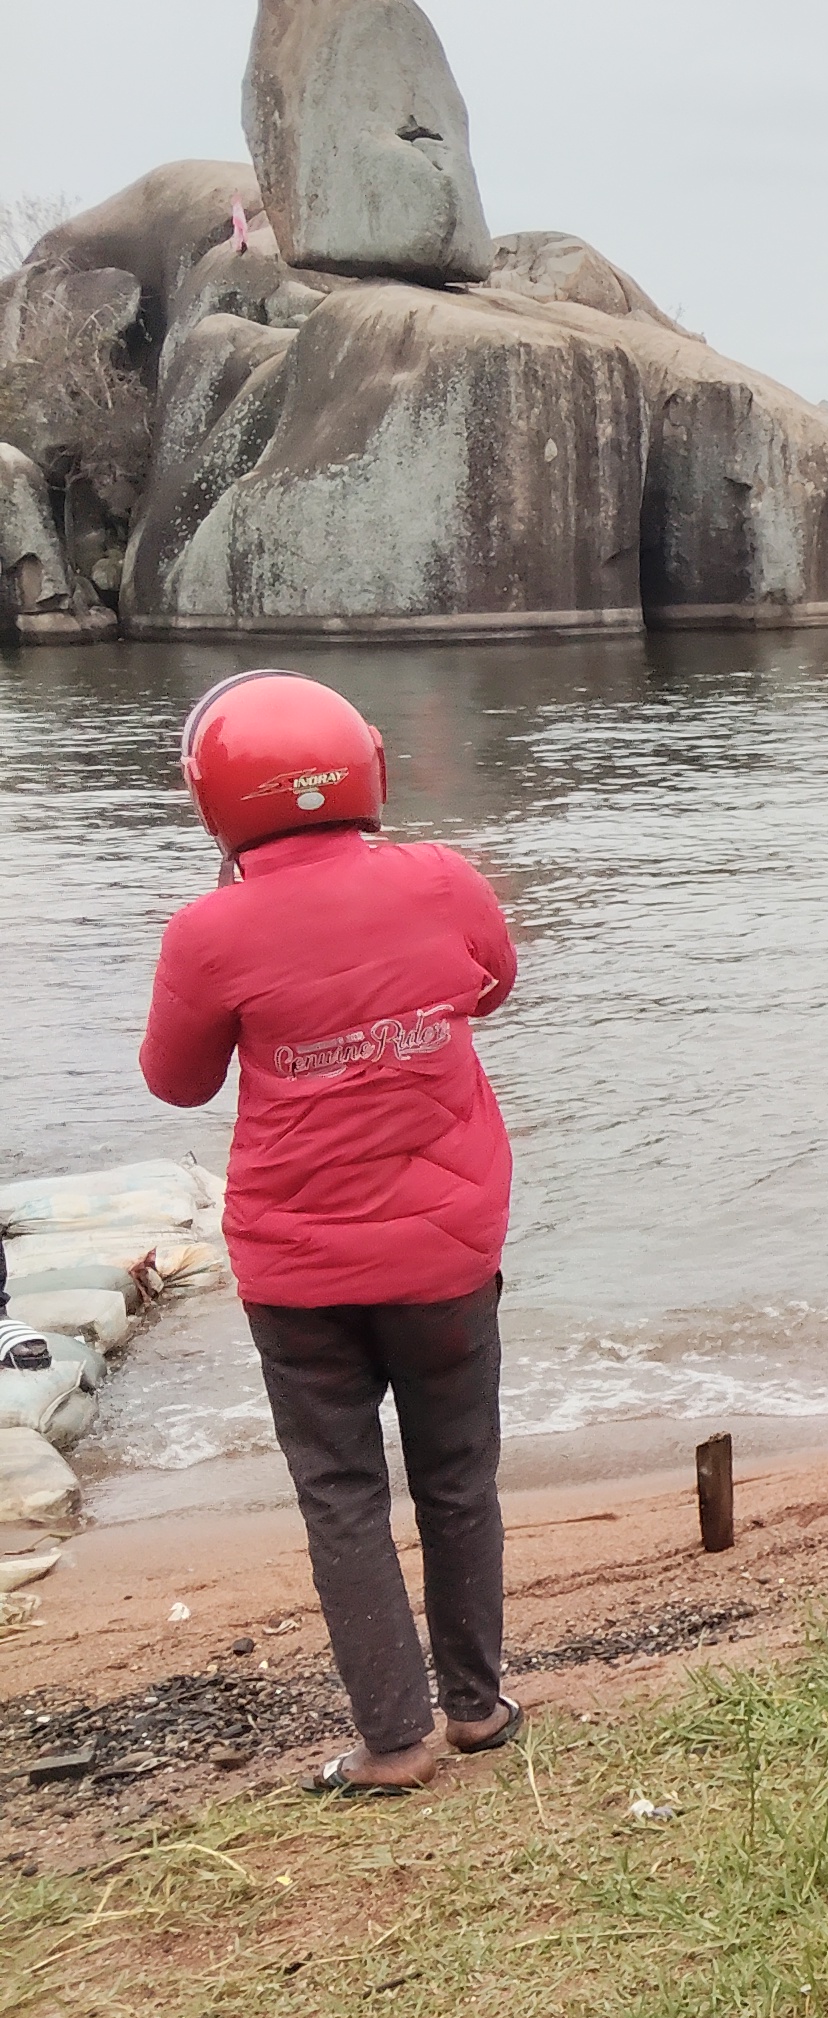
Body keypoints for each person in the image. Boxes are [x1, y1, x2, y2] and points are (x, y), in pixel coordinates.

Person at [138, 669, 523, 1796]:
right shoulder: (444, 880)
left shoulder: (209, 930)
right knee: (459, 1476)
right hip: (448, 1251)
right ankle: (477, 1709)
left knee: (341, 1491)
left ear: (213, 799)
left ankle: (394, 1741)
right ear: (369, 770)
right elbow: (491, 985)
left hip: (299, 1268)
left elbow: (176, 1082)